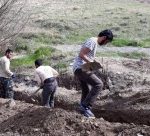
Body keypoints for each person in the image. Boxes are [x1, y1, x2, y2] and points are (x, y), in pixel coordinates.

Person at [73, 29, 113, 118]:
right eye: (106, 41)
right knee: (98, 84)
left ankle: (82, 109)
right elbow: (82, 54)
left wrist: (96, 63)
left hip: (79, 68)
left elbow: (87, 55)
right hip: (81, 67)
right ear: (104, 37)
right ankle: (85, 107)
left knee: (86, 89)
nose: (105, 43)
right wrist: (92, 64)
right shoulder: (92, 41)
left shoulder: (93, 41)